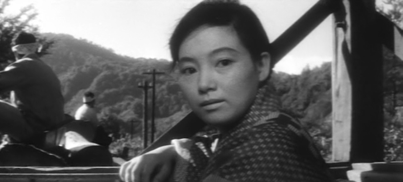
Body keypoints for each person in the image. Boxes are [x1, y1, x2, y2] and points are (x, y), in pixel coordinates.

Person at [119, 1, 333, 182]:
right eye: (190, 70)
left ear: (261, 66)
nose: (204, 84)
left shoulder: (267, 146)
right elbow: (219, 147)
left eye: (223, 62)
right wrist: (172, 150)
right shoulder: (271, 123)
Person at [0, 31, 67, 160]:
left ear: (16, 51)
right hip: (51, 132)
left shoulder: (25, 64)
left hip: (36, 131)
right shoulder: (44, 68)